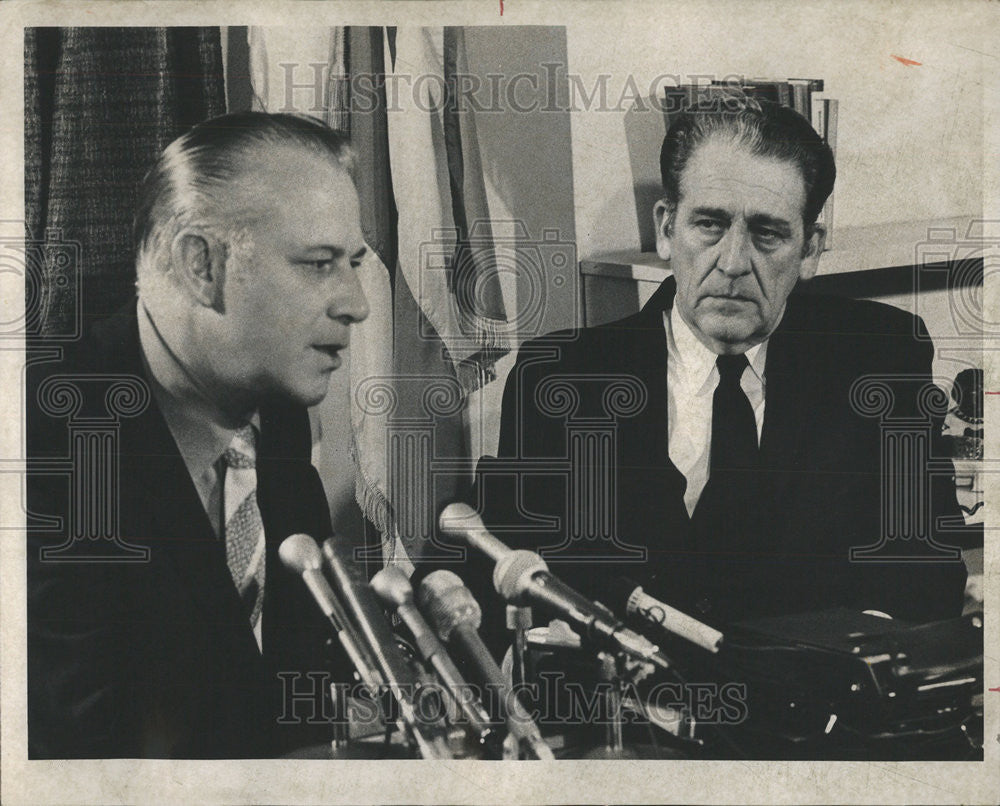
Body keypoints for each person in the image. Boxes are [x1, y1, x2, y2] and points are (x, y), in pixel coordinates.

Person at [471, 93, 967, 655]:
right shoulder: (559, 378)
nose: (733, 263)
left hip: (809, 717)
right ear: (665, 229)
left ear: (810, 249)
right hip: (627, 722)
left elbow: (924, 574)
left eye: (767, 233)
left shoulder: (878, 358)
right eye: (709, 224)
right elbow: (501, 566)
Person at [27, 112, 370, 758]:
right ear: (201, 266)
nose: (356, 303)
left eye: (353, 262)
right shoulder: (42, 447)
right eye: (320, 264)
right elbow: (97, 750)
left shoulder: (279, 411)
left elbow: (303, 682)